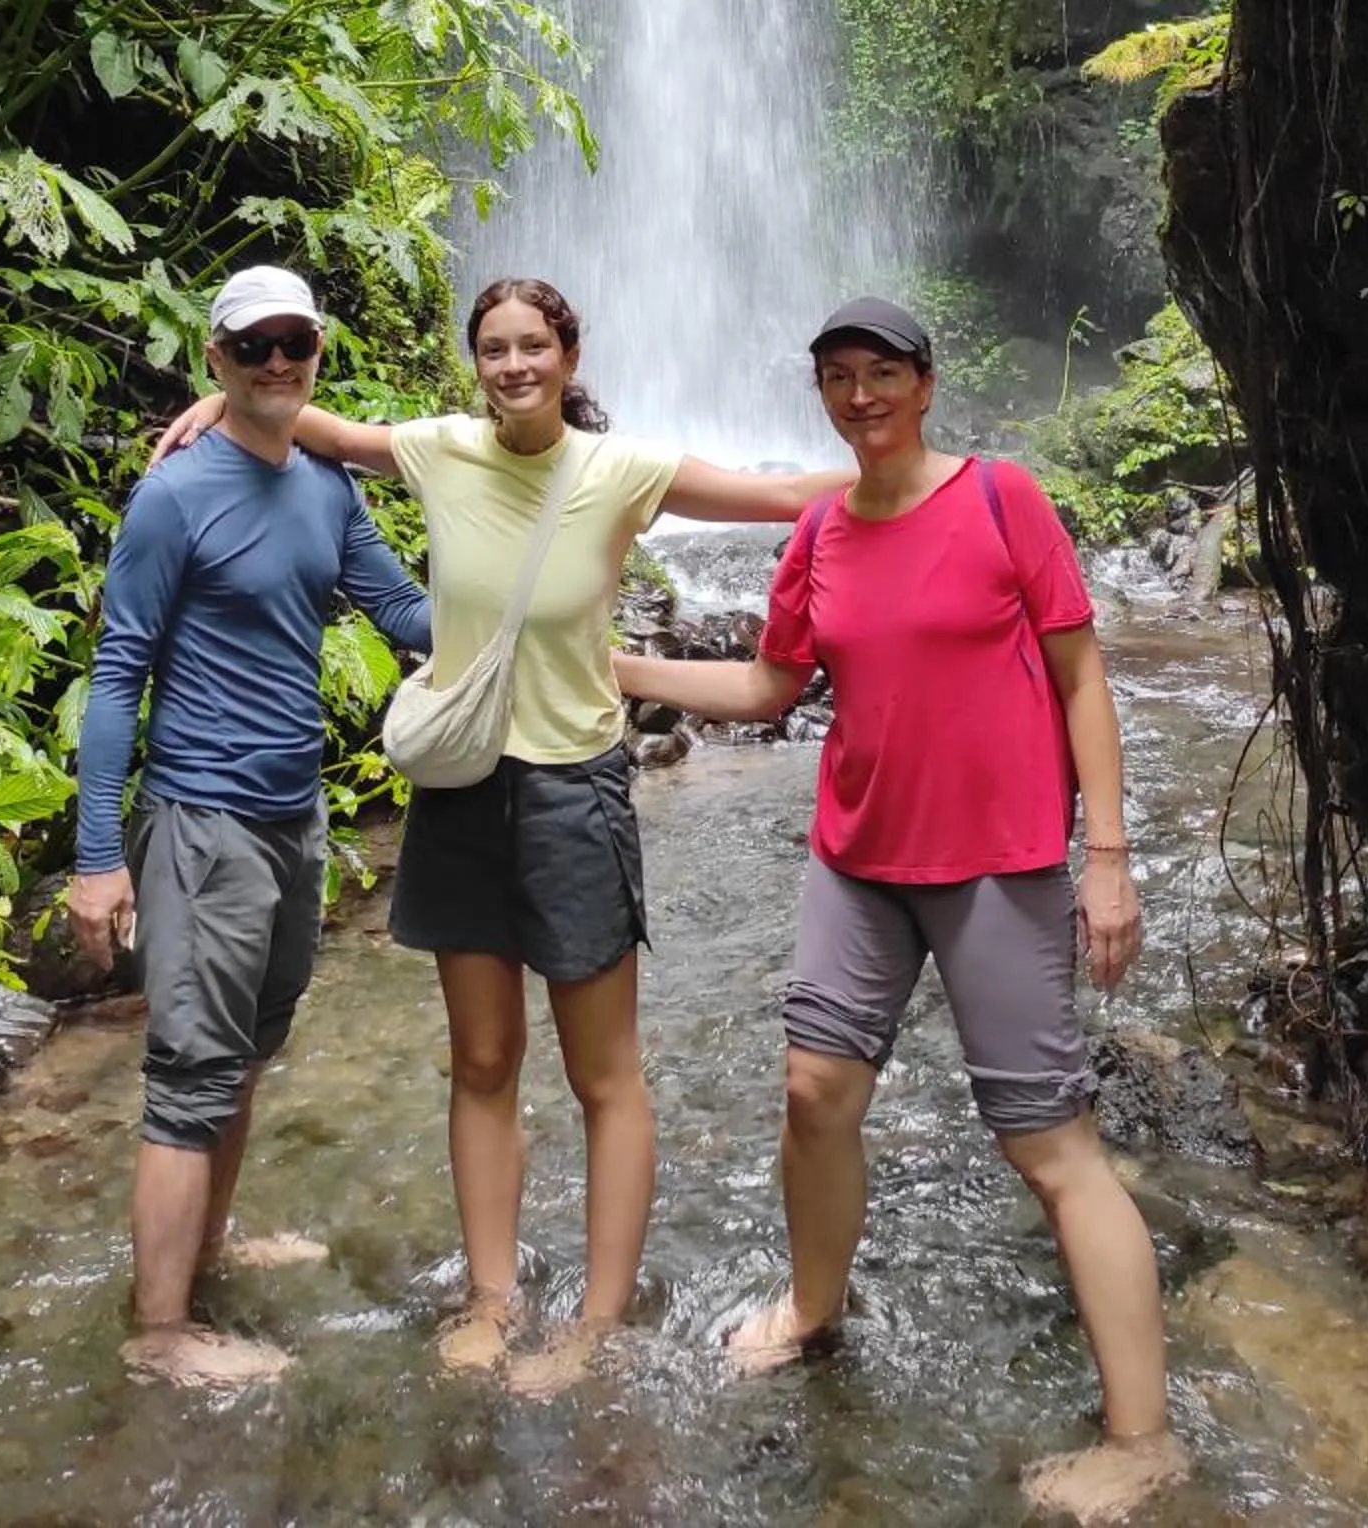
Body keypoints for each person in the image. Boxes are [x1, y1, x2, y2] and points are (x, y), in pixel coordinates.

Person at [154, 274, 849, 1389]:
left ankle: (597, 1323)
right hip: (464, 788)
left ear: (569, 357)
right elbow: (305, 415)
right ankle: (492, 1297)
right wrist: (217, 406)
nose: (514, 364)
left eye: (534, 345)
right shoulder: (437, 450)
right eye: (494, 348)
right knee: (481, 1061)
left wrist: (928, 472)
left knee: (603, 1076)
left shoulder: (622, 471)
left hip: (575, 791)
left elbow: (783, 496)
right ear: (473, 361)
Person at [611, 296, 1189, 1526]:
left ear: (925, 384)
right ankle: (817, 1309)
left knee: (1049, 1147)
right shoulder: (818, 529)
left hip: (1000, 860)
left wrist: (1110, 854)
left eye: (881, 372)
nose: (860, 394)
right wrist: (615, 669)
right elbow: (774, 686)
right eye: (837, 377)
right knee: (814, 1094)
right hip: (860, 860)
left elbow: (1082, 676)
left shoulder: (1001, 500)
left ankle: (1143, 1440)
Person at [68, 264, 433, 1390]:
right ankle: (161, 1333)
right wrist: (94, 862)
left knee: (249, 1051)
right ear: (216, 359)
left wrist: (543, 576)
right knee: (190, 1069)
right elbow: (117, 672)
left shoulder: (326, 485)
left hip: (293, 820)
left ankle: (212, 1249)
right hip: (201, 821)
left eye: (298, 343)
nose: (280, 361)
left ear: (318, 353)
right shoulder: (175, 496)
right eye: (255, 344)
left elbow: (409, 613)